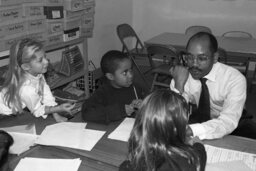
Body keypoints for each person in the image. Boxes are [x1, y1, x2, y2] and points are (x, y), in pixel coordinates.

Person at [169, 31, 254, 140]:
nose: (194, 64)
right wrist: (178, 86)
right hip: (200, 119)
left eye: (202, 58)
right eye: (189, 57)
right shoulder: (182, 76)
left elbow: (228, 121)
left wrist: (191, 130)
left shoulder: (234, 79)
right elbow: (173, 114)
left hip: (234, 121)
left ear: (215, 57)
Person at [119, 89, 206, 171]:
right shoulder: (182, 162)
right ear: (178, 127)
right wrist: (199, 147)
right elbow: (197, 164)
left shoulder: (138, 151)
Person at [0, 38, 75, 122]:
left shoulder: (37, 73)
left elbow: (46, 95)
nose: (46, 62)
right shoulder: (26, 88)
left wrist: (56, 115)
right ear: (26, 66)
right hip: (4, 115)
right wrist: (58, 108)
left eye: (45, 57)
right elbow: (37, 110)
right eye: (40, 60)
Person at [82, 50, 147, 124]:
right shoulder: (103, 93)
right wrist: (121, 111)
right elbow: (87, 113)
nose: (131, 75)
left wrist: (144, 105)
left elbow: (153, 105)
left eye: (131, 70)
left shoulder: (136, 87)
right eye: (125, 73)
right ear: (110, 76)